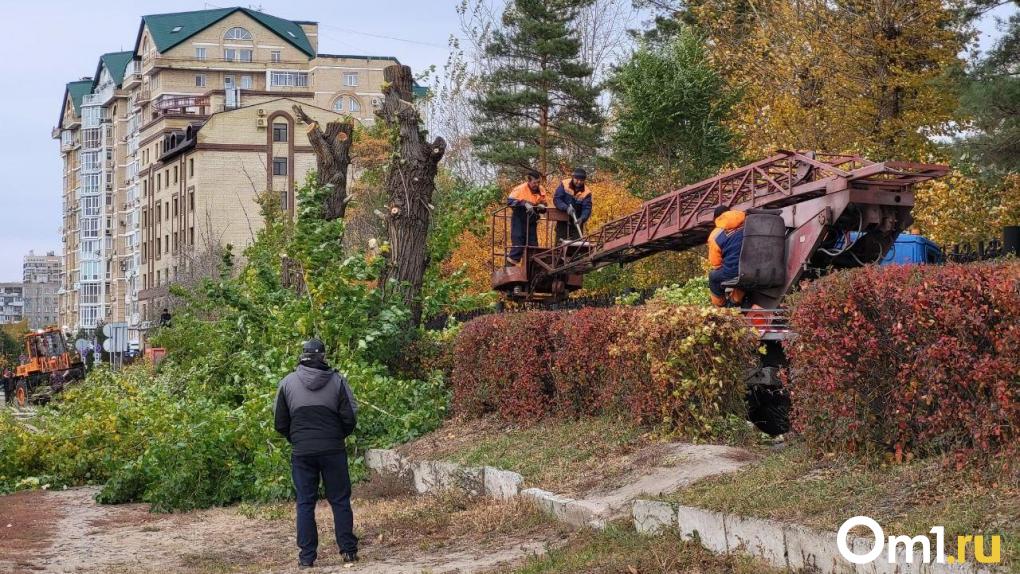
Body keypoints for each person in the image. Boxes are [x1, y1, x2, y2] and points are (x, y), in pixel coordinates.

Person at [274, 338, 359, 568]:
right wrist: (337, 437)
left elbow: (280, 422)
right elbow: (350, 418)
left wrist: (298, 439)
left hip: (302, 452)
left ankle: (306, 558)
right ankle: (348, 551)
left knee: (305, 502)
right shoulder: (337, 381)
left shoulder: (287, 383)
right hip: (333, 449)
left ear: (302, 355)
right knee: (340, 499)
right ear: (323, 356)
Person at [506, 170, 548, 266]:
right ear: (529, 181)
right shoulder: (520, 189)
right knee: (518, 246)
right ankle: (508, 270)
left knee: (533, 247)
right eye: (534, 182)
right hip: (519, 220)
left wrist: (542, 206)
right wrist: (524, 203)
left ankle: (532, 273)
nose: (536, 184)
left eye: (538, 182)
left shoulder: (541, 190)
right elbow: (509, 202)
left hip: (532, 220)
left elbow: (544, 204)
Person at [707, 205, 746, 307]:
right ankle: (735, 300)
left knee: (713, 277)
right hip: (756, 267)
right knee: (746, 278)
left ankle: (721, 306)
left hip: (734, 272)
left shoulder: (715, 235)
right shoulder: (748, 224)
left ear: (716, 219)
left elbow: (716, 264)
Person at [553, 168, 593, 243]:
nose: (579, 182)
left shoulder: (587, 192)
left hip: (577, 220)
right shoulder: (564, 184)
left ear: (584, 181)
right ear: (573, 177)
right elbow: (557, 199)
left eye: (581, 180)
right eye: (577, 180)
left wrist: (582, 218)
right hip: (562, 218)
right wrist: (566, 208)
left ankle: (575, 254)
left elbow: (587, 208)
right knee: (560, 243)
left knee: (576, 244)